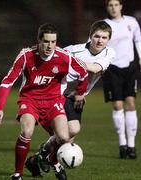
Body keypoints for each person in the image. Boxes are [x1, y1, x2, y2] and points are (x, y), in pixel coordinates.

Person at [0, 23, 89, 180]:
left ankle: (51, 160)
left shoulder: (64, 57)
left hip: (53, 102)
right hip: (30, 100)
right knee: (27, 131)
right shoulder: (26, 56)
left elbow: (83, 73)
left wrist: (80, 93)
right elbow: (8, 80)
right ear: (38, 40)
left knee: (64, 138)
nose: (50, 46)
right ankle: (18, 174)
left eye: (53, 42)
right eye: (46, 41)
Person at [25, 20, 115, 178]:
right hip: (59, 93)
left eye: (104, 37)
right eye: (97, 36)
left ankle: (38, 158)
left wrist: (69, 60)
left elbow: (95, 68)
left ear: (108, 39)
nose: (100, 40)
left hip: (77, 97)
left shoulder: (109, 53)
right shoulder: (74, 50)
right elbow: (51, 54)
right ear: (90, 36)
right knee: (71, 131)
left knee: (67, 136)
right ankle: (54, 163)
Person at [102, 0, 141, 159]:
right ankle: (122, 144)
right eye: (110, 5)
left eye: (116, 4)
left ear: (121, 6)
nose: (113, 8)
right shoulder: (103, 24)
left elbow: (138, 39)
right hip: (112, 68)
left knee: (130, 103)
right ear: (107, 8)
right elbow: (96, 43)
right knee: (117, 104)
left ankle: (131, 146)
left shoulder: (131, 22)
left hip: (130, 67)